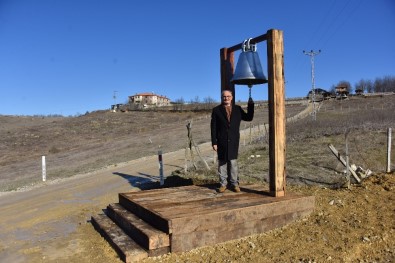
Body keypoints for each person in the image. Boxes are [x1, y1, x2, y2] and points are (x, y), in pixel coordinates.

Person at [210, 89, 254, 193]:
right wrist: (214, 142)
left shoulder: (238, 109)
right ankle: (223, 184)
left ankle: (235, 184)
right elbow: (213, 128)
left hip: (234, 141)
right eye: (224, 97)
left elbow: (249, 117)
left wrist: (251, 105)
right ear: (222, 98)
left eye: (228, 96)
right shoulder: (216, 110)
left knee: (233, 163)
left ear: (232, 97)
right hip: (221, 141)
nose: (226, 98)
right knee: (222, 163)